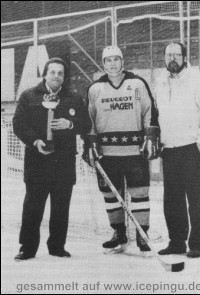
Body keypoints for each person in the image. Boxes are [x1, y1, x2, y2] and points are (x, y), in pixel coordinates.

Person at [13, 57, 91, 260]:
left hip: (63, 163)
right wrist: (35, 141)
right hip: (37, 162)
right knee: (32, 207)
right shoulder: (29, 96)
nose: (56, 76)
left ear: (64, 77)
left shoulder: (73, 97)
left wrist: (70, 124)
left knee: (61, 206)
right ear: (45, 74)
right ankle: (27, 248)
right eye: (52, 72)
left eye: (60, 73)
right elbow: (19, 124)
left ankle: (57, 246)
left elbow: (85, 124)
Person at [83, 46, 159, 253]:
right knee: (110, 195)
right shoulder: (95, 88)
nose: (113, 63)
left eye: (116, 59)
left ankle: (142, 234)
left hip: (135, 151)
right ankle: (119, 232)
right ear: (103, 63)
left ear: (122, 61)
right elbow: (88, 119)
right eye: (108, 60)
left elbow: (149, 111)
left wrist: (150, 136)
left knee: (140, 193)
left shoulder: (137, 83)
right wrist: (90, 144)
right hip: (107, 154)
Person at [154, 42, 200, 258]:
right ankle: (176, 241)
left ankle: (195, 244)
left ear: (185, 57)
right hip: (169, 148)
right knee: (172, 198)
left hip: (191, 147)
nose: (172, 58)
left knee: (194, 197)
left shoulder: (197, 78)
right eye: (168, 55)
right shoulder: (160, 81)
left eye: (176, 54)